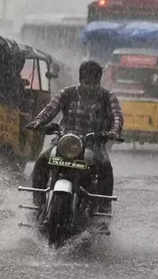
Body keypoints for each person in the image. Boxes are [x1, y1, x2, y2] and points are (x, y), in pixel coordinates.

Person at [26, 60, 123, 219]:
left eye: (94, 83)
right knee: (42, 161)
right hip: (64, 141)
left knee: (105, 168)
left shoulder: (108, 97)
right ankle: (38, 202)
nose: (90, 86)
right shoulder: (67, 93)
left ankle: (103, 209)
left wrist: (113, 132)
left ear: (99, 81)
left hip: (94, 144)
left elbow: (117, 117)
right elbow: (50, 109)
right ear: (80, 80)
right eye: (86, 82)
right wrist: (38, 122)